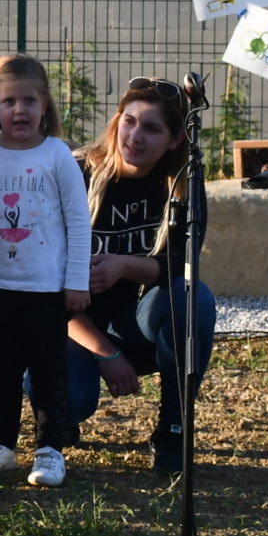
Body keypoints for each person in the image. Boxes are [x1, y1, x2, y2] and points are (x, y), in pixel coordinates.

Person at [0, 54, 92, 488]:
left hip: (47, 288)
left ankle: (50, 449)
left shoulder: (58, 155)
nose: (20, 110)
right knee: (1, 367)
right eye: (9, 101)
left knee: (48, 372)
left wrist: (77, 281)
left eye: (29, 100)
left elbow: (78, 221)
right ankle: (0, 444)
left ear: (45, 103)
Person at [64, 76, 217, 476]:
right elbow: (42, 285)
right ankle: (58, 413)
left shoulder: (182, 182)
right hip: (69, 325)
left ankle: (173, 428)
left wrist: (124, 265)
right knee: (71, 403)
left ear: (175, 139)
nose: (135, 136)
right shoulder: (76, 173)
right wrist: (107, 354)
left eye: (151, 128)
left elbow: (184, 260)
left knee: (193, 297)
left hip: (135, 324)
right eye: (129, 121)